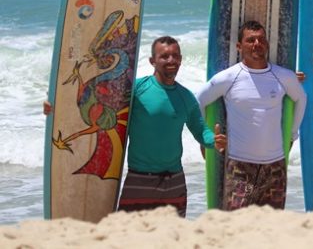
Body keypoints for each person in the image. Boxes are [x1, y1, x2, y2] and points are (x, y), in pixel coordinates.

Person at [45, 36, 227, 217]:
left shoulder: (186, 97)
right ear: (152, 61)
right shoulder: (136, 90)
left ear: (180, 59)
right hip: (140, 179)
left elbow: (200, 130)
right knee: (128, 236)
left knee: (172, 237)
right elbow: (94, 106)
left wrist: (214, 141)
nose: (171, 60)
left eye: (175, 56)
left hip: (175, 181)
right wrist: (53, 107)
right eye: (164, 56)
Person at [195, 20, 307, 211]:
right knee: (236, 225)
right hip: (240, 168)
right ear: (239, 46)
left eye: (261, 39)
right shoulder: (229, 77)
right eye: (251, 40)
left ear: (267, 44)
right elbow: (198, 100)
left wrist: (293, 134)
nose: (257, 44)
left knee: (270, 227)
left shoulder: (284, 76)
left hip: (275, 168)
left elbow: (301, 99)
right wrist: (205, 138)